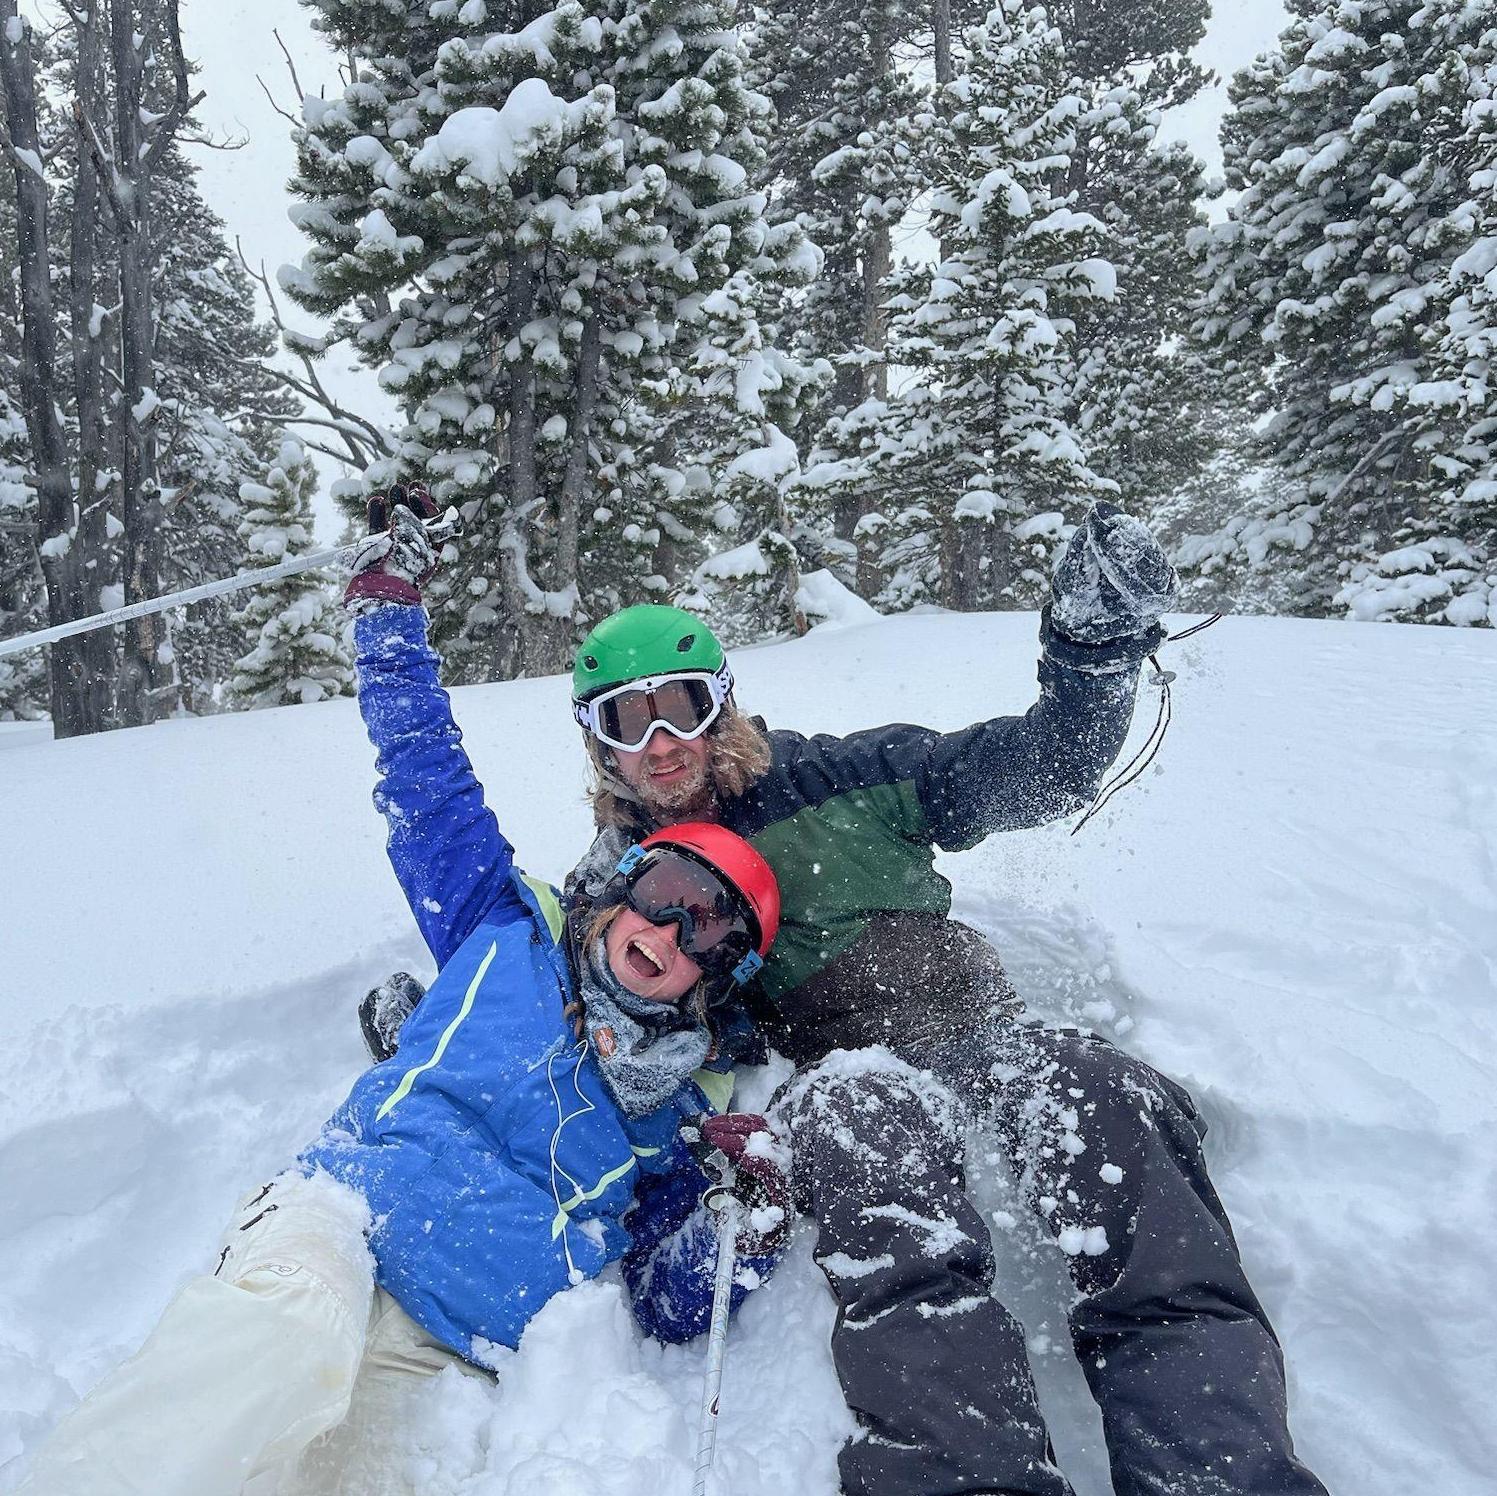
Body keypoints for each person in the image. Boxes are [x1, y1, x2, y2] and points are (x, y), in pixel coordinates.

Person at [13, 496, 792, 1496]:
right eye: (669, 894)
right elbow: (427, 783)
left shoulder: (676, 1117)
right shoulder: (502, 933)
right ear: (619, 889)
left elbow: (675, 1298)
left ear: (717, 975)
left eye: (714, 929)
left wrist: (752, 1222)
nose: (677, 931)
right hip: (338, 1226)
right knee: (271, 1361)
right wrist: (387, 616)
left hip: (457, 1347)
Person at [550, 503, 1326, 1496]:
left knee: (1106, 1094)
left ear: (725, 703)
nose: (661, 741)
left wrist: (1090, 659)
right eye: (626, 717)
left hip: (971, 1027)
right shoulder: (620, 879)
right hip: (832, 1074)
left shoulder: (842, 777)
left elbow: (1040, 767)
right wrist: (431, 1020)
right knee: (868, 1139)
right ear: (598, 744)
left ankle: (1216, 1469)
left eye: (684, 703)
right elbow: (558, 980)